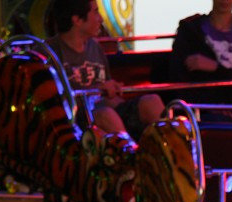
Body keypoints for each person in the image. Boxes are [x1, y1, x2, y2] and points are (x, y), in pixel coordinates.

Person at [46, 0, 164, 138]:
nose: (100, 19)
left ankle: (171, 154)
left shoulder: (94, 48)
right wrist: (97, 90)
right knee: (107, 115)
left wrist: (112, 92)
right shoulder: (48, 53)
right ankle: (129, 156)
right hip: (75, 121)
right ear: (77, 20)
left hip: (106, 111)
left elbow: (107, 97)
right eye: (95, 12)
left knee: (151, 102)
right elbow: (51, 104)